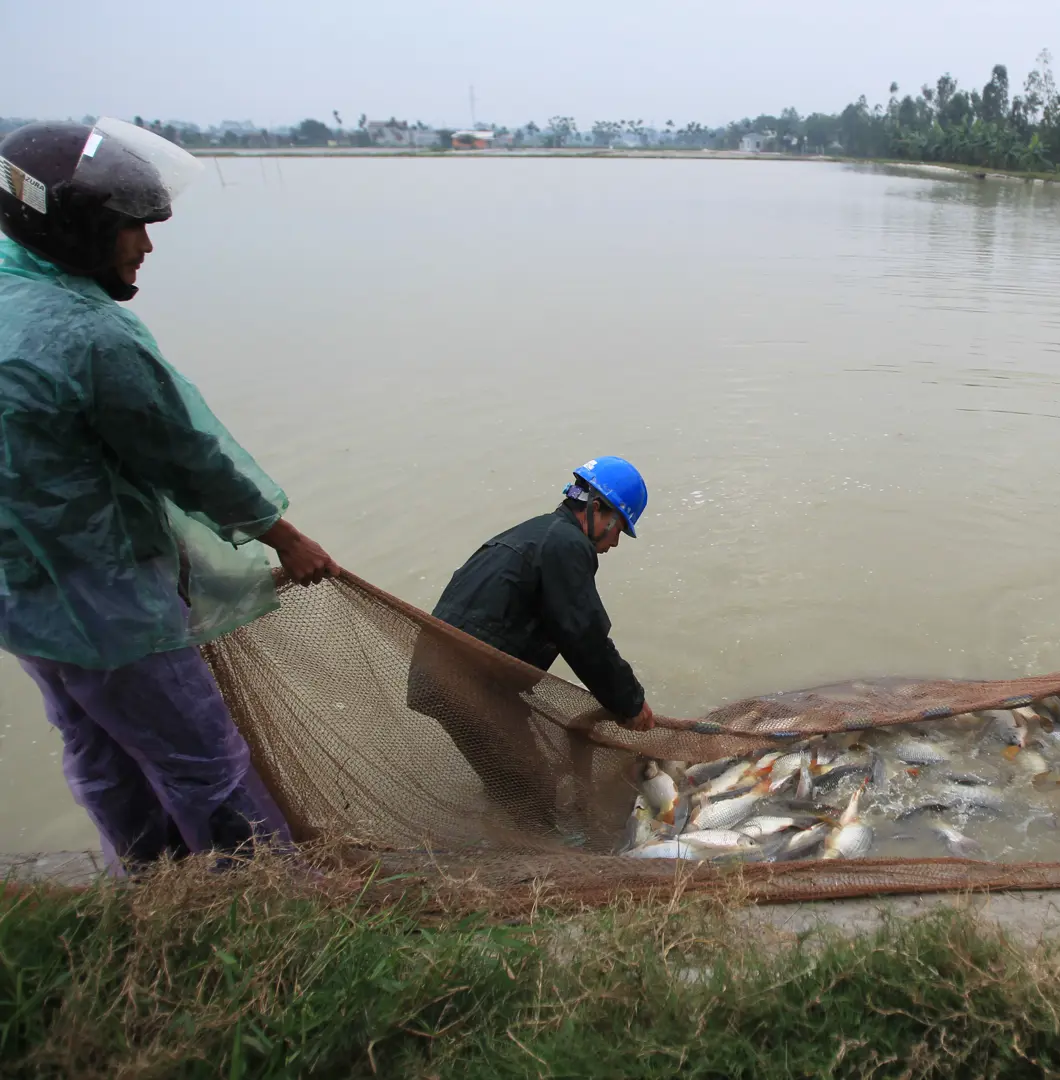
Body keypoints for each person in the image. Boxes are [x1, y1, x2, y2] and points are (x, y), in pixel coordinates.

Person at [0, 119, 340, 873]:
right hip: (109, 607)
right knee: (206, 765)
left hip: (24, 602)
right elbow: (190, 457)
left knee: (101, 754)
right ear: (79, 230)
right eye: (130, 229)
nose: (145, 247)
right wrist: (284, 538)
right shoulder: (91, 338)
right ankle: (276, 919)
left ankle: (152, 892)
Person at [408, 457, 657, 842]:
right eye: (619, 528)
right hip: (465, 683)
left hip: (448, 674)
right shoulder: (567, 546)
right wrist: (630, 702)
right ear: (595, 510)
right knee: (537, 789)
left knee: (514, 776)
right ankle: (545, 864)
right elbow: (585, 639)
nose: (615, 542)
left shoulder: (539, 533)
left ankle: (500, 834)